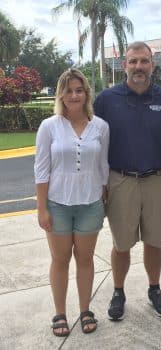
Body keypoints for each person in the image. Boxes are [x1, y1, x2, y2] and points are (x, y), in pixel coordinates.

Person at [94, 41, 161, 321]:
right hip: (120, 180)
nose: (139, 67)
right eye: (133, 61)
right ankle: (118, 292)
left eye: (144, 61)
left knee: (154, 241)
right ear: (124, 65)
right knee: (121, 244)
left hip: (157, 180)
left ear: (152, 65)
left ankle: (154, 289)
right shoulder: (106, 99)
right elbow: (96, 139)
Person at [34, 68, 109, 336]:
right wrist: (41, 208)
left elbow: (103, 168)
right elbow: (41, 169)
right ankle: (60, 313)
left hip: (90, 204)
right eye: (68, 90)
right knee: (60, 259)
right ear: (61, 95)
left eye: (79, 90)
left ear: (86, 94)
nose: (74, 95)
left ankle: (85, 309)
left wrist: (105, 201)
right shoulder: (49, 126)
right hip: (57, 205)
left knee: (85, 259)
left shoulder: (100, 126)